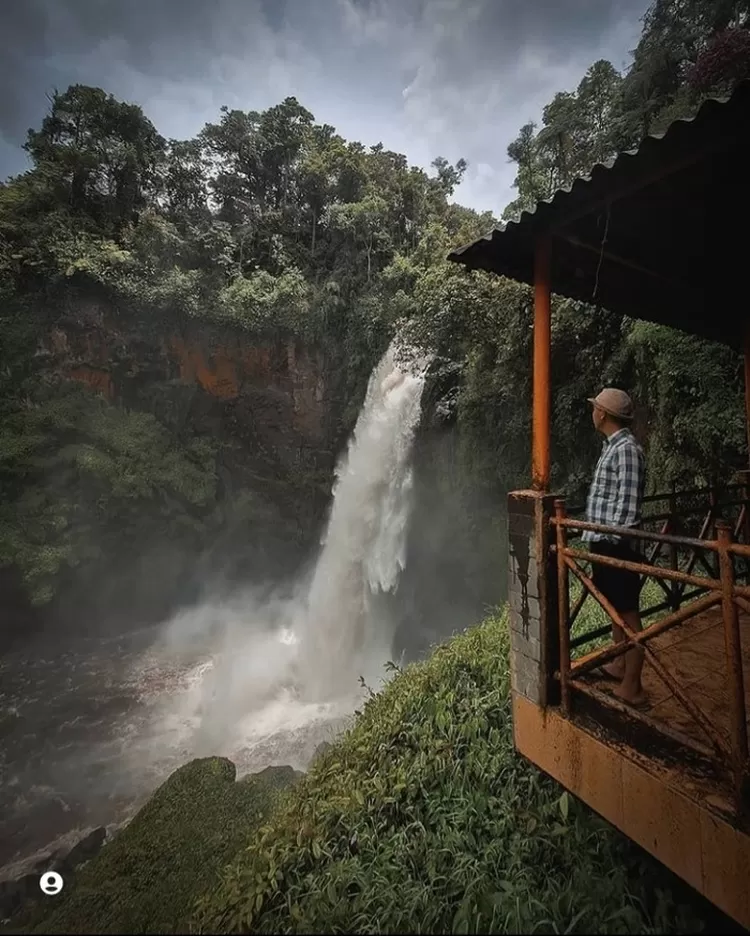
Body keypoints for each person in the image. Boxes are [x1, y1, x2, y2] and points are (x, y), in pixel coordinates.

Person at [582, 388, 647, 706]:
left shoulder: (626, 450)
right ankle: (620, 663)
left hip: (616, 545)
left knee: (629, 615)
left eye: (595, 408)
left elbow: (627, 507)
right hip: (604, 543)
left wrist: (609, 538)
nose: (592, 412)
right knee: (616, 609)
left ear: (603, 414)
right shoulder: (613, 447)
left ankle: (633, 687)